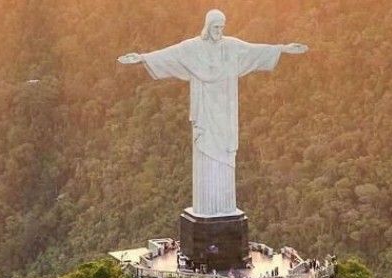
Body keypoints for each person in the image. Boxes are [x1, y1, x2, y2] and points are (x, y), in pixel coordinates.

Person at [118, 9, 308, 216]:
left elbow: (255, 51)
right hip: (206, 112)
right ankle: (207, 209)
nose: (219, 31)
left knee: (225, 154)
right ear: (208, 27)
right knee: (206, 153)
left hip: (226, 112)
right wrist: (142, 58)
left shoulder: (231, 47)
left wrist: (283, 49)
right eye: (215, 27)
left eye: (221, 27)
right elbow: (171, 54)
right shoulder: (194, 48)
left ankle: (225, 209)